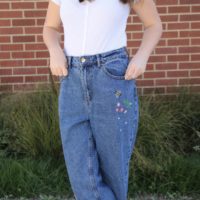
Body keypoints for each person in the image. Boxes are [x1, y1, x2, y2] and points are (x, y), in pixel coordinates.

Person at [43, 0, 163, 199]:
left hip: (112, 78)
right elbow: (50, 26)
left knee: (114, 170)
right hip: (71, 79)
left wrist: (142, 56)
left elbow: (153, 25)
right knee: (80, 172)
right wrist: (54, 50)